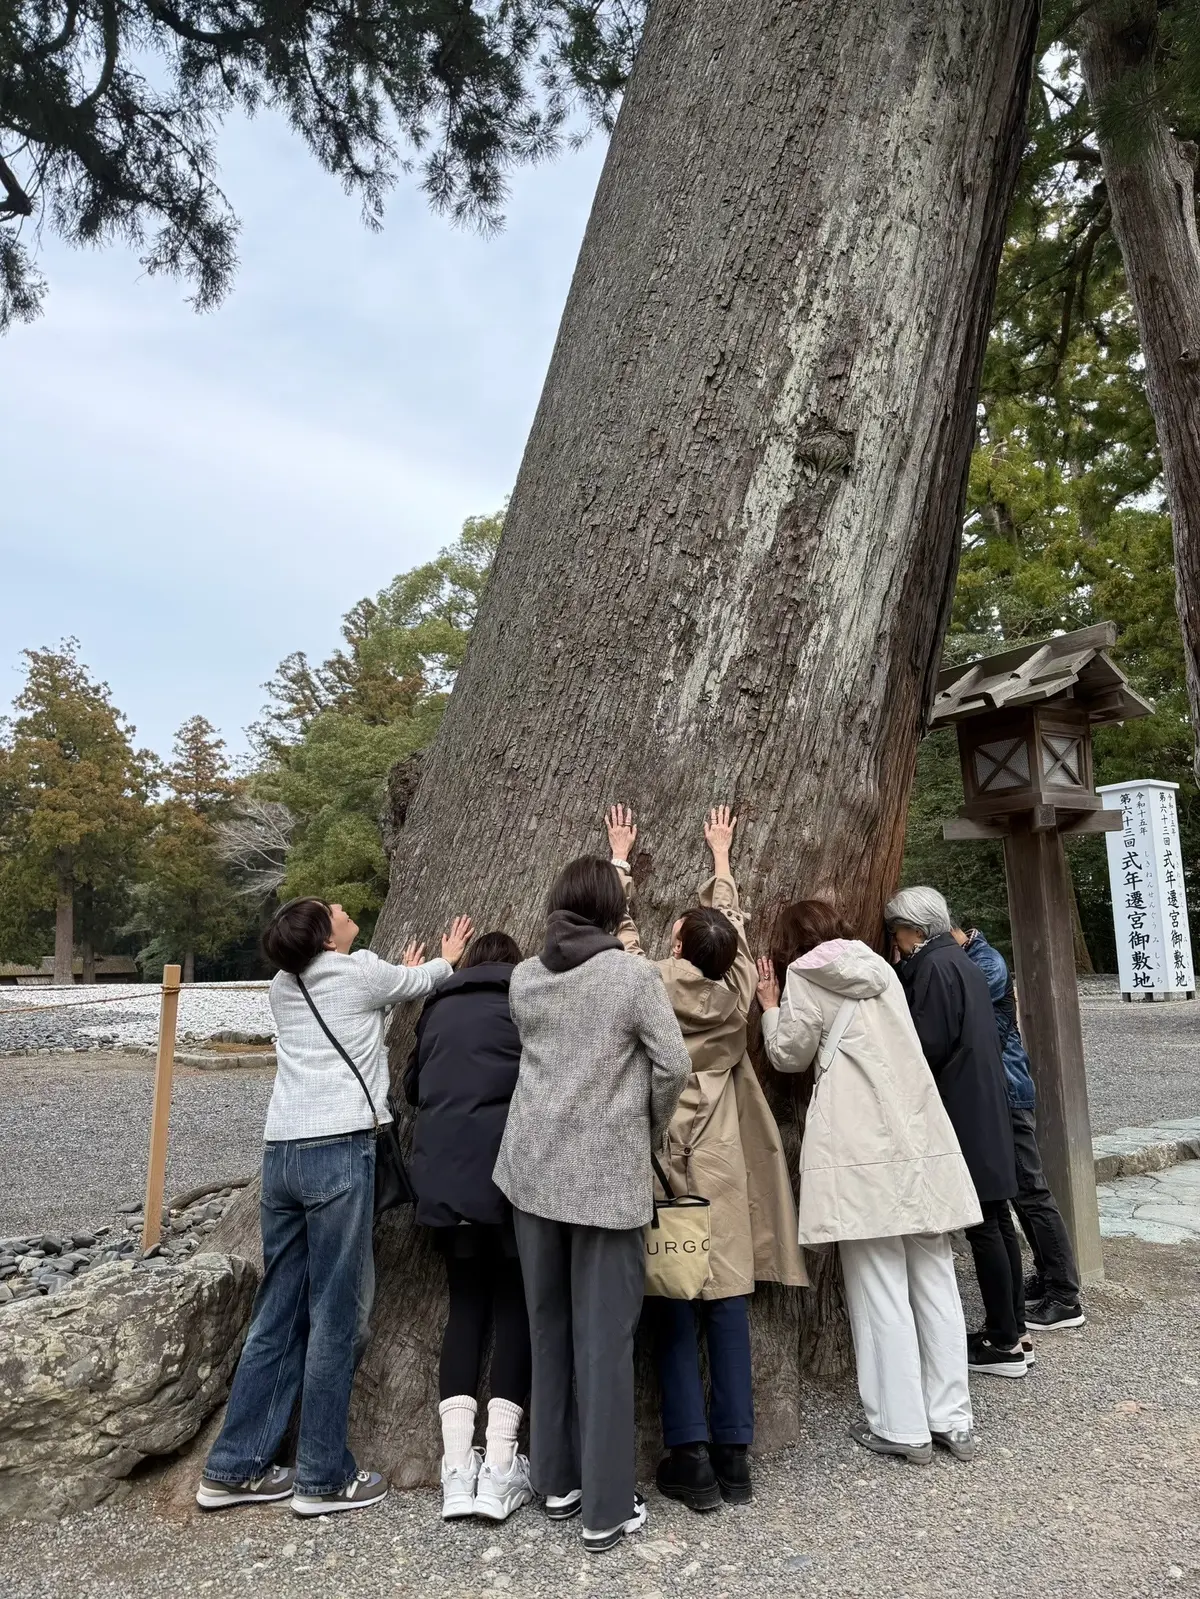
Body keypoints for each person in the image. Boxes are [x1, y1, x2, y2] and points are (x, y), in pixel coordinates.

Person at [196, 897, 473, 1517]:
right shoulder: (359, 972)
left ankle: (232, 1467)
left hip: (282, 1153)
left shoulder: (282, 984)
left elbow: (358, 1021)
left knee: (277, 1311)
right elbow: (422, 980)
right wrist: (446, 958)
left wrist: (391, 979)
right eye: (334, 909)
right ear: (325, 935)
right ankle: (322, 1475)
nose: (346, 908)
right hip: (339, 1151)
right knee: (335, 1314)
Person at [606, 803, 806, 1510]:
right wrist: (721, 860)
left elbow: (622, 941)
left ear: (680, 945)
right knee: (726, 1296)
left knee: (672, 1297)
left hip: (663, 1151)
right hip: (723, 1151)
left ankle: (687, 1453)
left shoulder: (651, 985)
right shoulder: (738, 993)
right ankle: (735, 1452)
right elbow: (739, 938)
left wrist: (620, 864)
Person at [493, 854, 691, 1554]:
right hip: (605, 1178)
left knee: (548, 1327)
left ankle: (554, 1481)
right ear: (612, 909)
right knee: (604, 1341)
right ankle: (606, 1507)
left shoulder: (525, 977)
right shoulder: (632, 976)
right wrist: (648, 1126)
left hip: (530, 1173)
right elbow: (674, 1066)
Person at [757, 898, 983, 1465]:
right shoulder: (882, 966)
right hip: (917, 1137)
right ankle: (952, 1418)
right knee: (935, 1280)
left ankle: (902, 1427)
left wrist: (769, 1008)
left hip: (860, 1147)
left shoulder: (804, 974)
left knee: (878, 1286)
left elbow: (789, 1054)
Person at [403, 929, 534, 1523]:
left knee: (464, 1310)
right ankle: (502, 1467)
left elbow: (411, 1087)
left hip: (444, 1180)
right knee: (514, 1309)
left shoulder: (437, 1005)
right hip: (508, 1180)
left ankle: (457, 1468)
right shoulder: (526, 1002)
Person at [884, 886, 1026, 1380]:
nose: (895, 941)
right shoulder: (959, 960)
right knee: (997, 1218)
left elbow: (928, 1041)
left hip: (961, 1105)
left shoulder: (935, 967)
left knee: (984, 1225)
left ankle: (1002, 1341)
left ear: (916, 930)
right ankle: (1014, 1329)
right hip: (985, 1100)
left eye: (897, 931)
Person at [952, 923, 1085, 1335]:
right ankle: (1047, 1276)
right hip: (1003, 1092)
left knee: (1031, 1191)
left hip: (1007, 1091)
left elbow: (974, 1028)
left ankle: (1064, 1295)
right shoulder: (975, 959)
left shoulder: (984, 964)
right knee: (1023, 1193)